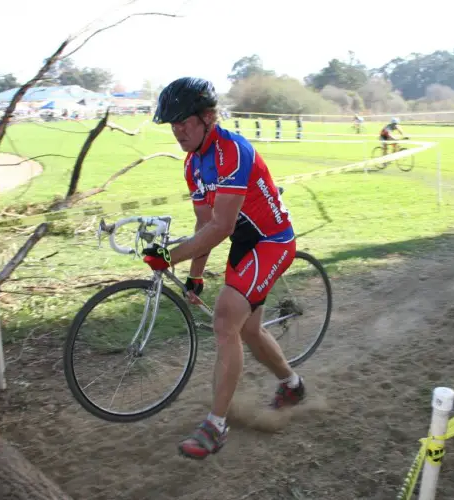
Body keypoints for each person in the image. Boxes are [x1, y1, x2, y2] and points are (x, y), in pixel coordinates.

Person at [143, 77, 305, 460]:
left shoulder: (232, 151)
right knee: (247, 329)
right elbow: (204, 224)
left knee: (224, 319)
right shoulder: (193, 164)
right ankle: (293, 385)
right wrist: (195, 274)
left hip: (272, 241)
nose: (178, 131)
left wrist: (170, 258)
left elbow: (221, 226)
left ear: (208, 116)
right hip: (246, 244)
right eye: (173, 124)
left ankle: (215, 426)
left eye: (184, 121)